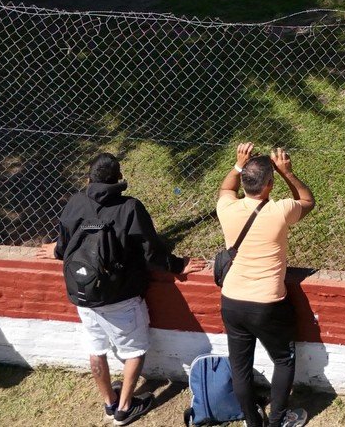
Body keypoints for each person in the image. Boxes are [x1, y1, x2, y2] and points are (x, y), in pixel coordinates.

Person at [53, 152, 189, 425]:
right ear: (119, 178)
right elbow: (151, 253)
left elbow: (61, 249)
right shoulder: (130, 208)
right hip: (121, 295)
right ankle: (125, 408)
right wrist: (177, 265)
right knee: (135, 350)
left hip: (83, 293)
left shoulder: (75, 204)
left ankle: (109, 401)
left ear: (89, 177)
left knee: (95, 347)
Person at [218, 144, 315, 427]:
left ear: (245, 183)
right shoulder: (281, 210)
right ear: (269, 185)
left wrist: (238, 165)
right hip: (267, 303)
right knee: (283, 360)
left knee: (240, 367)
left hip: (231, 300)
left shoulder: (227, 207)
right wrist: (288, 173)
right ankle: (277, 420)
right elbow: (307, 201)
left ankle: (252, 421)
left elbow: (225, 189)